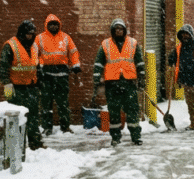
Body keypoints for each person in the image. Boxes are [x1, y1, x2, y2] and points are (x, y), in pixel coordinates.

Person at [92, 18, 146, 146]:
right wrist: (97, 80)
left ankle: (136, 136)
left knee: (132, 110)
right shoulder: (105, 44)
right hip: (112, 84)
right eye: (116, 29)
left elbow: (140, 62)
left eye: (121, 29)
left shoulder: (133, 43)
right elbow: (98, 63)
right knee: (114, 112)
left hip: (129, 82)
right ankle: (115, 137)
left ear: (124, 30)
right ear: (112, 31)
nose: (119, 31)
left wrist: (142, 78)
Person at [0, 19, 43, 151]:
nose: (30, 36)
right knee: (15, 116)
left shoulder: (34, 46)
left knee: (33, 116)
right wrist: (7, 85)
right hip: (14, 88)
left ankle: (35, 143)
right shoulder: (10, 45)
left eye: (32, 34)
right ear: (22, 33)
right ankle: (16, 144)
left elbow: (36, 65)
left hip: (31, 87)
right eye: (28, 34)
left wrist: (39, 81)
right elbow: (3, 67)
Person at [36, 13, 82, 134]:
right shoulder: (40, 38)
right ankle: (47, 127)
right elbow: (34, 53)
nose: (53, 26)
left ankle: (65, 127)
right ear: (47, 25)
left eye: (55, 24)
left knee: (63, 103)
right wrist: (37, 67)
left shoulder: (66, 37)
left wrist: (76, 65)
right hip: (46, 74)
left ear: (59, 25)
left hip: (62, 74)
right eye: (51, 24)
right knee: (46, 103)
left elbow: (73, 52)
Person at [167, 24, 194, 132]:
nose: (185, 36)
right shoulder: (179, 47)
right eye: (183, 34)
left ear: (191, 34)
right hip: (185, 81)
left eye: (187, 34)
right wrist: (171, 61)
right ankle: (193, 124)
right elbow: (172, 58)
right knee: (190, 104)